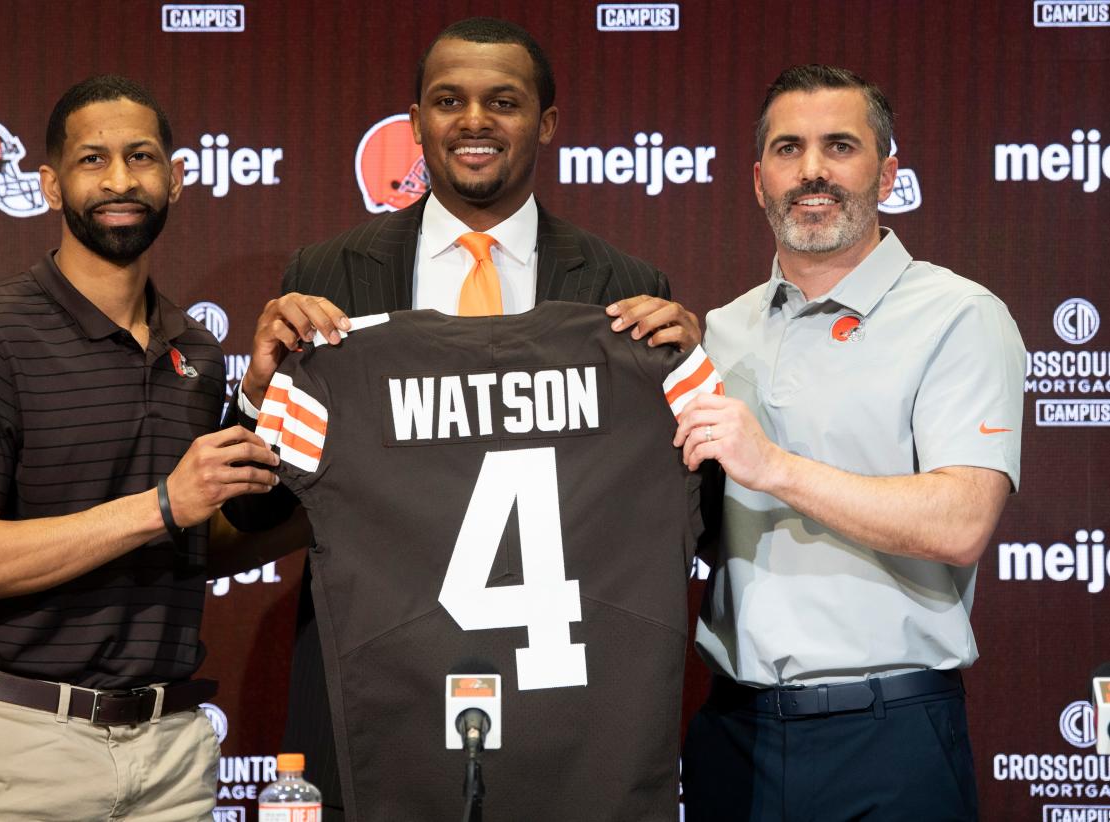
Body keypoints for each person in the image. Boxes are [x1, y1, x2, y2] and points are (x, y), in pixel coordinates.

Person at [223, 17, 703, 818]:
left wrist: (686, 375)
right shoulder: (327, 274)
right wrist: (258, 389)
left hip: (565, 696)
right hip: (386, 679)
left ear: (545, 124)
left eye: (503, 101)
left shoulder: (622, 287)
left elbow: (680, 511)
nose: (473, 121)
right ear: (414, 120)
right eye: (448, 100)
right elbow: (258, 507)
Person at [0, 75, 298, 822]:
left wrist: (329, 488)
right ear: (50, 184)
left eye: (142, 157)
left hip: (174, 751)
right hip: (23, 750)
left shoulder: (196, 350)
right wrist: (160, 506)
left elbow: (194, 546)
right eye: (93, 160)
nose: (121, 180)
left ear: (177, 179)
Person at [675, 64, 1026, 821]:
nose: (811, 170)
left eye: (839, 146)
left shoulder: (959, 315)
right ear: (757, 180)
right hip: (731, 732)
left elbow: (960, 522)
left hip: (888, 733)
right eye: (786, 149)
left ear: (888, 172)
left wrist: (773, 467)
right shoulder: (721, 330)